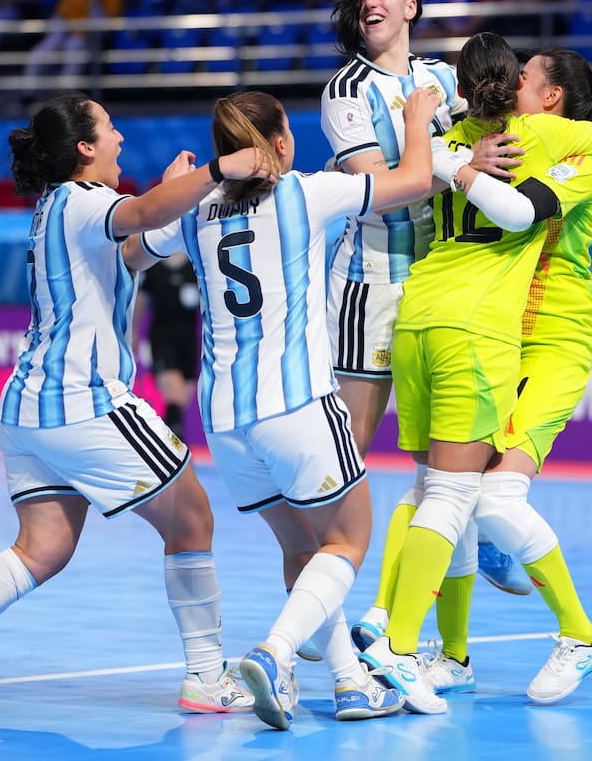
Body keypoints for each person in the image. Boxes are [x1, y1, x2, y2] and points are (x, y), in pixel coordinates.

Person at [120, 85, 504, 730]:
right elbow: (414, 181)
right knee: (348, 539)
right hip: (295, 403)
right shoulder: (303, 191)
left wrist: (173, 189)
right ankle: (275, 653)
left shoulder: (194, 208)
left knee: (303, 548)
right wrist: (416, 119)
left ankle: (350, 683)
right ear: (280, 143)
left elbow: (132, 254)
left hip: (227, 422)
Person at [0, 91, 278, 717]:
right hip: (83, 401)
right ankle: (206, 676)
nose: (121, 138)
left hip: (26, 409)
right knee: (192, 520)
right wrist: (218, 169)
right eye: (111, 128)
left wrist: (177, 197)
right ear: (85, 148)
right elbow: (143, 211)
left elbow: (135, 246)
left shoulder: (58, 207)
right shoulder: (83, 198)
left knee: (42, 549)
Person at [355, 32, 592, 713]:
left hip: (552, 344)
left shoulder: (575, 156)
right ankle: (449, 656)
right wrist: (450, 144)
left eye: (525, 76)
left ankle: (580, 635)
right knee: (443, 488)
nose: (512, 84)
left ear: (552, 97)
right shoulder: (503, 135)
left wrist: (448, 157)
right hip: (496, 332)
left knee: (491, 499)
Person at [309, 0, 534, 607]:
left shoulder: (442, 77)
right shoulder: (346, 91)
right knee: (349, 450)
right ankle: (316, 592)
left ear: (410, 6)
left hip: (441, 283)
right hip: (371, 284)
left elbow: (499, 127)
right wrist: (464, 167)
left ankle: (473, 549)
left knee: (448, 450)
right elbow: (381, 186)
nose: (369, 2)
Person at [137, 251, 200, 441]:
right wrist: (133, 333)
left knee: (182, 399)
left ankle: (170, 442)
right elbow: (141, 302)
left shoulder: (194, 264)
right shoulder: (153, 265)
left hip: (189, 342)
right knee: (174, 394)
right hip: (161, 339)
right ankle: (171, 447)